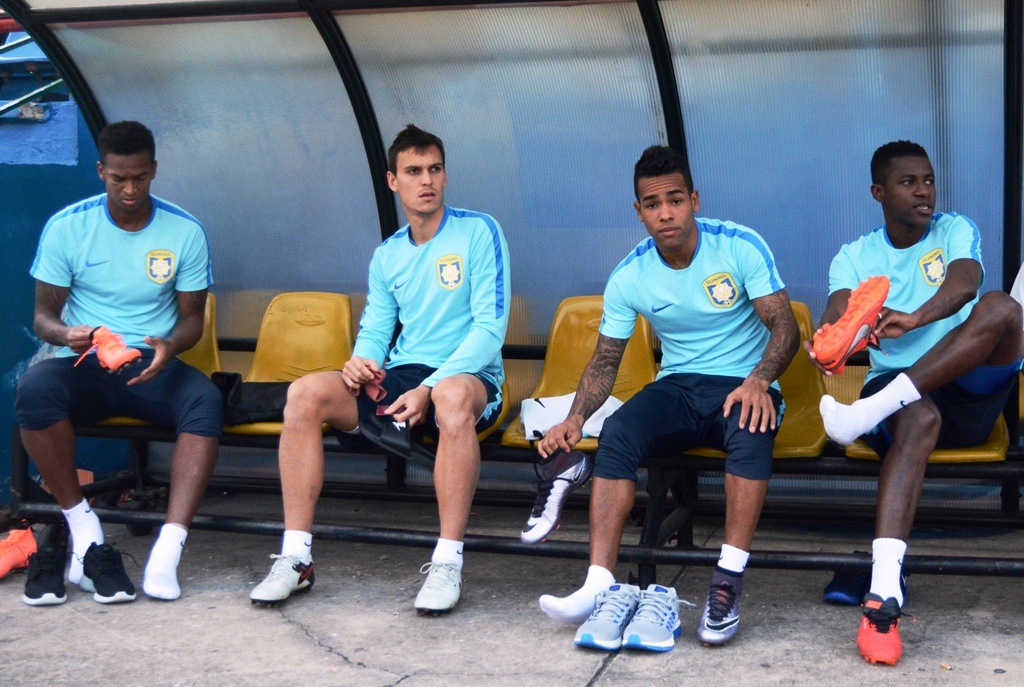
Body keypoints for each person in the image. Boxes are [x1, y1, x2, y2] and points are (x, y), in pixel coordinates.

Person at [534, 145, 799, 652]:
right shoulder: (629, 275)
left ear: (694, 200)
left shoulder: (738, 246)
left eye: (675, 200)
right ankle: (597, 584)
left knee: (752, 426)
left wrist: (759, 380)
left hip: (743, 384)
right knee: (617, 432)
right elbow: (605, 361)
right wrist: (574, 418)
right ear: (639, 211)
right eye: (653, 204)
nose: (666, 213)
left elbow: (784, 327)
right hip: (678, 386)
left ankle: (727, 582)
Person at [250, 124, 511, 615]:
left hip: (471, 378)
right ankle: (296, 558)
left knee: (451, 396)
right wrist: (360, 362)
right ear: (393, 181)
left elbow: (489, 330)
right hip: (404, 375)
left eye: (434, 169)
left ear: (445, 176)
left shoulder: (479, 231)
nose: (425, 180)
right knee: (305, 393)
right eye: (413, 171)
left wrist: (430, 387)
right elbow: (375, 331)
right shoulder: (388, 254)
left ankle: (447, 563)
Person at [807, 140, 1023, 665]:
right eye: (908, 182)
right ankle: (882, 598)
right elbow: (839, 312)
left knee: (1002, 307)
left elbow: (965, 285)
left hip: (965, 391)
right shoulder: (854, 256)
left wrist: (915, 318)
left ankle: (868, 412)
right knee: (919, 414)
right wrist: (833, 339)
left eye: (928, 180)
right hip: (903, 399)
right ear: (879, 192)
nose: (924, 191)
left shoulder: (955, 229)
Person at [14, 120, 221, 605]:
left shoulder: (184, 230)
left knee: (206, 401)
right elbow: (44, 318)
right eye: (118, 178)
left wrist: (170, 345)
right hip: (85, 362)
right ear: (100, 171)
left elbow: (193, 320)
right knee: (34, 390)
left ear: (154, 170)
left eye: (140, 177)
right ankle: (83, 527)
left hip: (151, 364)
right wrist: (67, 334)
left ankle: (168, 549)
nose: (130, 189)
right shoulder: (68, 226)